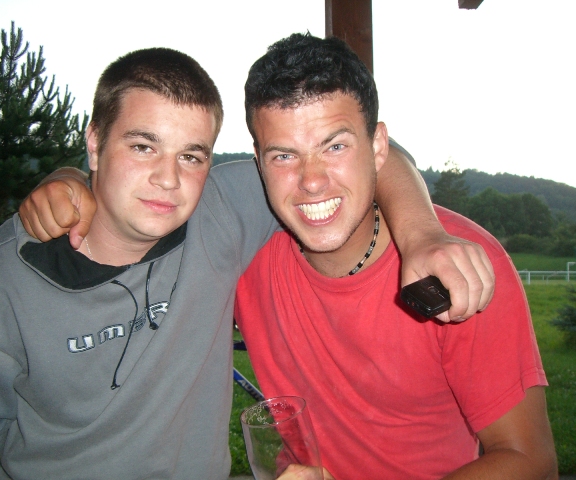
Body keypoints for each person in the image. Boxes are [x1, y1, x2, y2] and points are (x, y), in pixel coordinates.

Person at [0, 48, 492, 480]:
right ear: (95, 142)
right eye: (143, 146)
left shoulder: (221, 214)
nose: (168, 178)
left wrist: (421, 235)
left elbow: (367, 156)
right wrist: (65, 176)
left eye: (192, 155)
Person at [233, 33, 557, 479]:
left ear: (379, 146)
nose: (312, 180)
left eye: (335, 146)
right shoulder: (241, 258)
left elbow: (530, 461)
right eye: (284, 155)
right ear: (258, 161)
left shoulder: (458, 264)